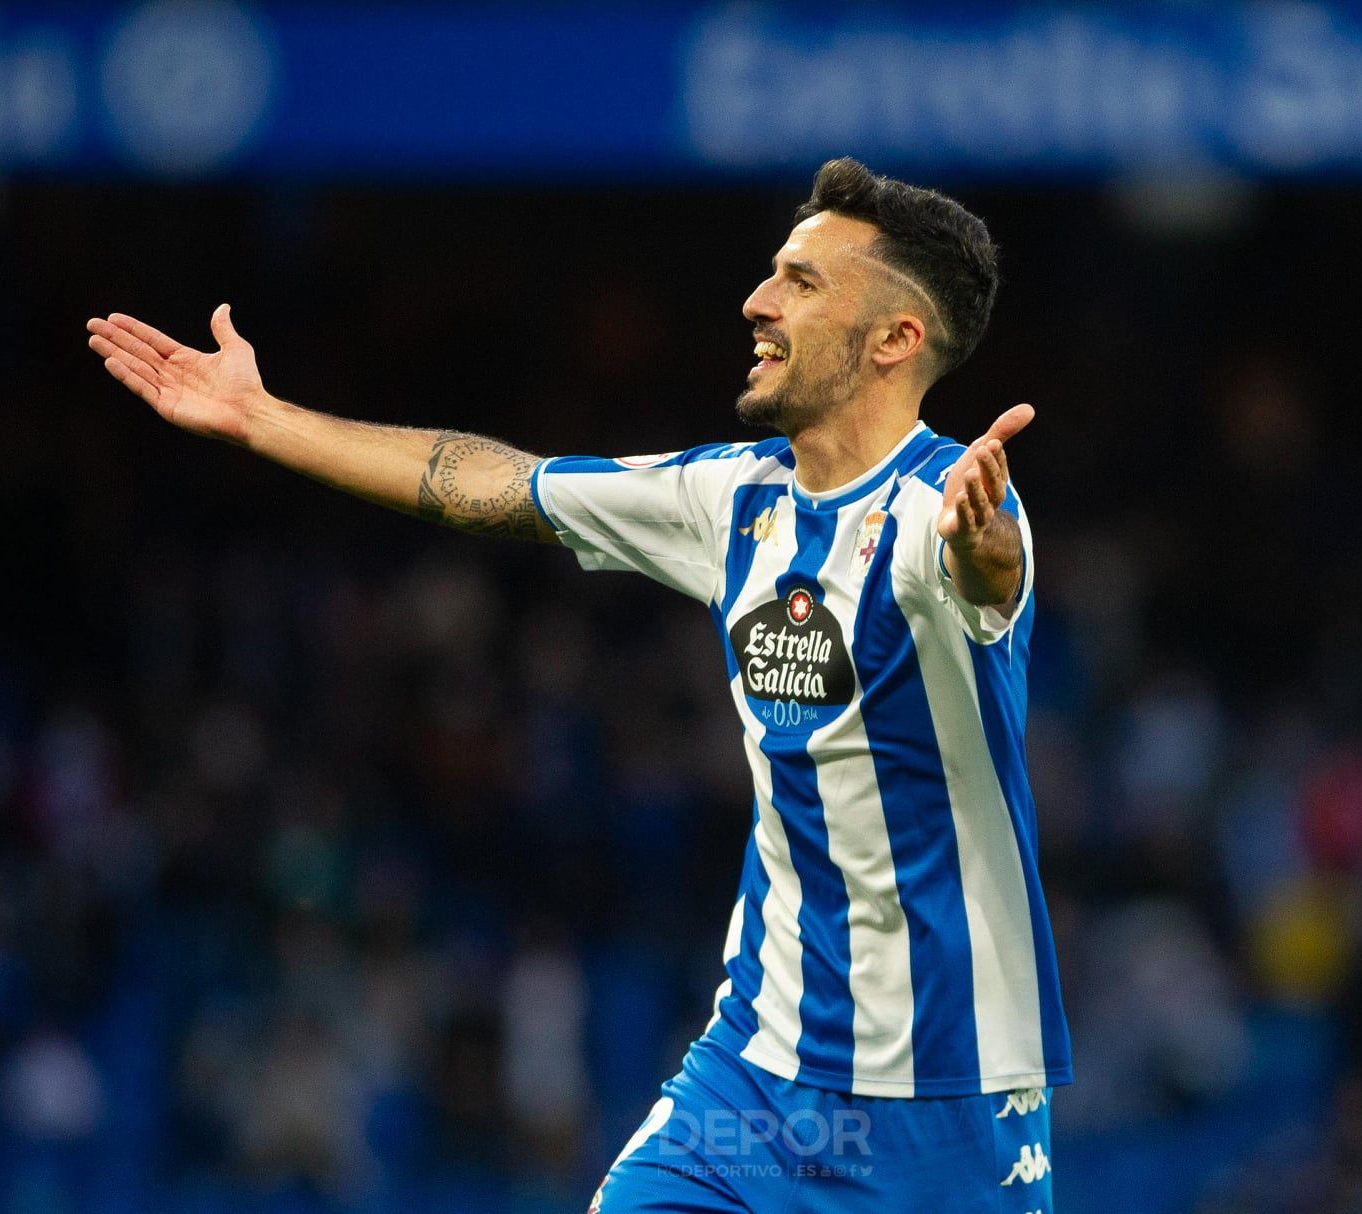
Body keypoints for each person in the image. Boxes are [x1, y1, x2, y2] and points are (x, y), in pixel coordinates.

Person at [86, 157, 1070, 1213]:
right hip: (757, 1074)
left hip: (948, 1097)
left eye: (802, 280)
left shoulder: (943, 510)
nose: (757, 299)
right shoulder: (729, 500)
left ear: (894, 340)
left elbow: (983, 572)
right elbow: (499, 484)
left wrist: (986, 545)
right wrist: (262, 420)